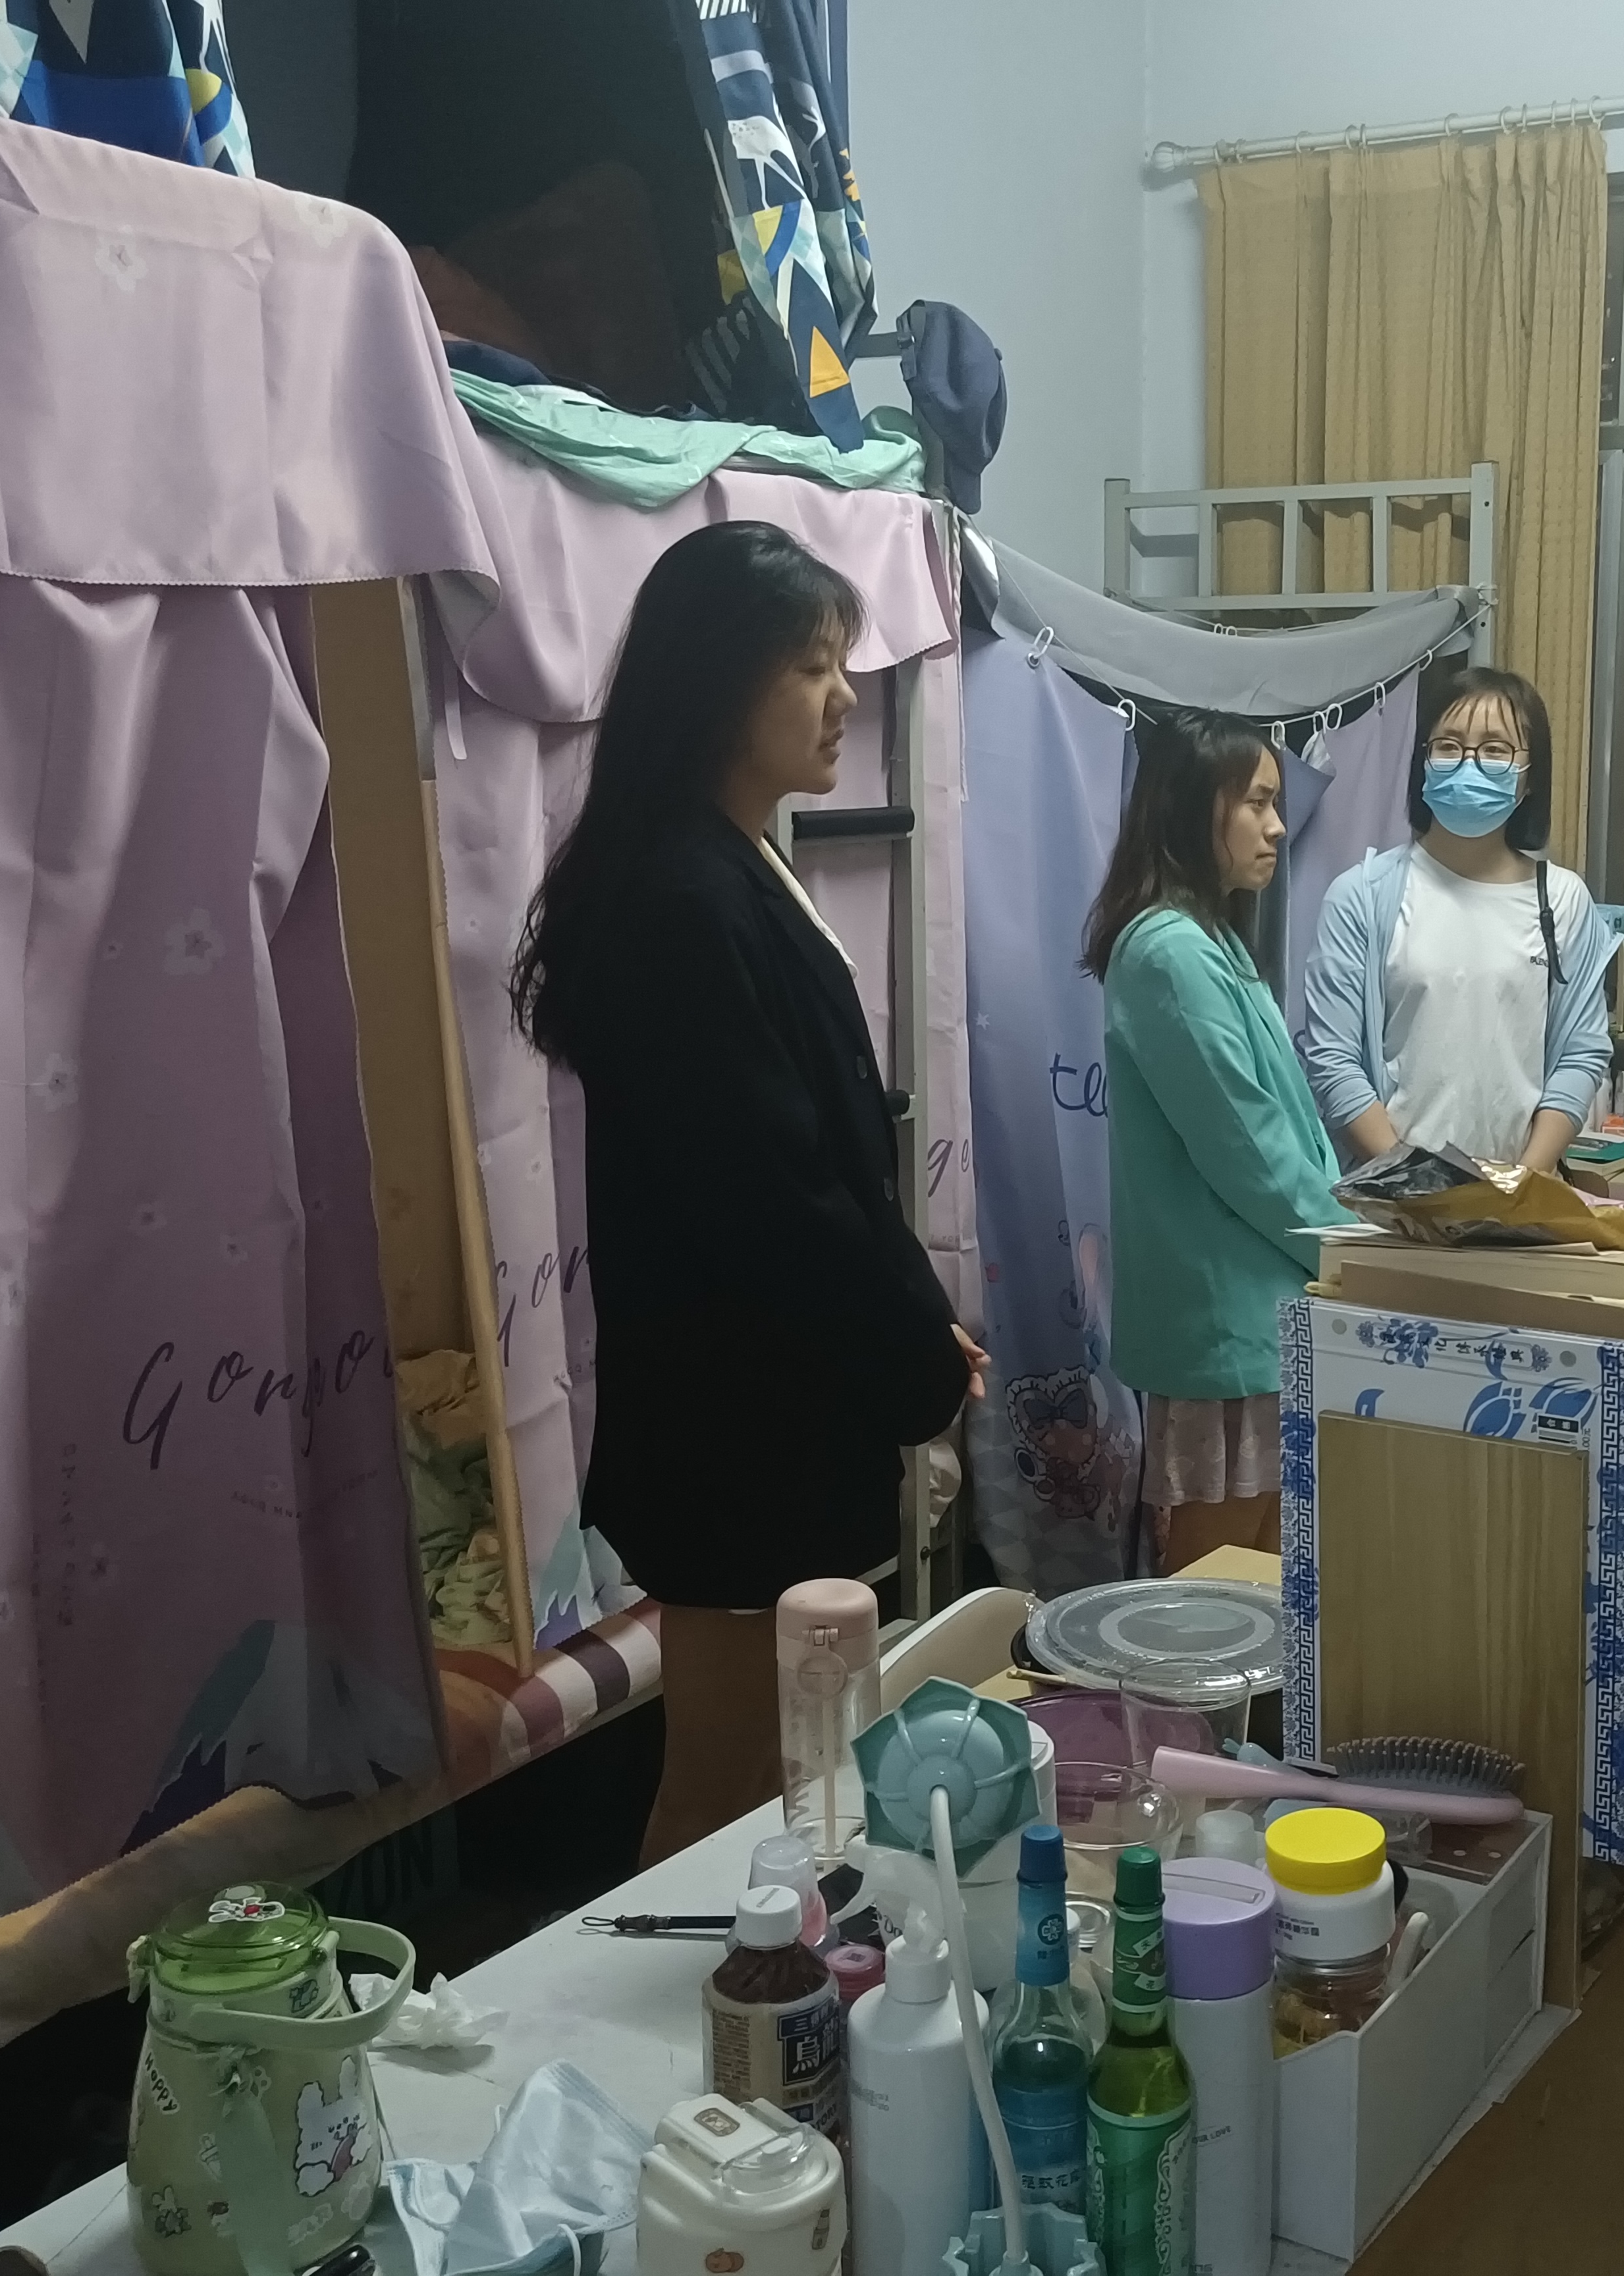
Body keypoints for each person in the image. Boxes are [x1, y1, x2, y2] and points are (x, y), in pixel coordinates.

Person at [512, 522, 981, 1862]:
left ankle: (779, 1973)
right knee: (727, 1780)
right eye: (812, 667)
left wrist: (916, 1327)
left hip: (771, 1406)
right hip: (729, 1425)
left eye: (842, 665)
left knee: (788, 1769)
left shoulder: (724, 861)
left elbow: (822, 1160)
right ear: (721, 682)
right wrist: (911, 1346)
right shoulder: (679, 896)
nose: (844, 699)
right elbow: (774, 1193)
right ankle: (693, 1988)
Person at [1087, 710, 1353, 1574]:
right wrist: (1350, 1246)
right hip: (1229, 1324)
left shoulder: (1212, 940)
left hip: (1266, 1312)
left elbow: (1277, 1131)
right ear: (1193, 805)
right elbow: (1248, 1146)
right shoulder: (1169, 950)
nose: (1277, 827)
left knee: (1271, 1593)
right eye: (1258, 803)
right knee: (1215, 1602)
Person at [1302, 667, 1617, 1173]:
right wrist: (1414, 1184)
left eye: (1495, 750)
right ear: (1423, 762)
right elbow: (1333, 1062)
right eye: (1448, 746)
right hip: (1392, 1198)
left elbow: (1580, 1055)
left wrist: (1524, 1182)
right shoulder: (1362, 896)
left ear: (1530, 776)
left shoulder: (1563, 900)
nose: (1469, 764)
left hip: (1520, 1196)